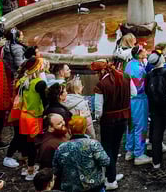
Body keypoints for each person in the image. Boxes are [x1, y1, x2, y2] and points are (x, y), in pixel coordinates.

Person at [94, 54, 131, 190]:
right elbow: (132, 92)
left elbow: (98, 109)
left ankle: (110, 179)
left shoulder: (101, 84)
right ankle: (112, 174)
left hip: (108, 120)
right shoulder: (125, 77)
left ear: (101, 71)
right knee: (115, 146)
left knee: (107, 147)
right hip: (123, 118)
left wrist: (98, 118)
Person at [52, 116, 111, 192]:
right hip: (94, 187)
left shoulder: (61, 148)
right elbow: (106, 162)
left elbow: (56, 170)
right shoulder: (92, 144)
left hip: (71, 188)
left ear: (70, 130)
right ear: (84, 129)